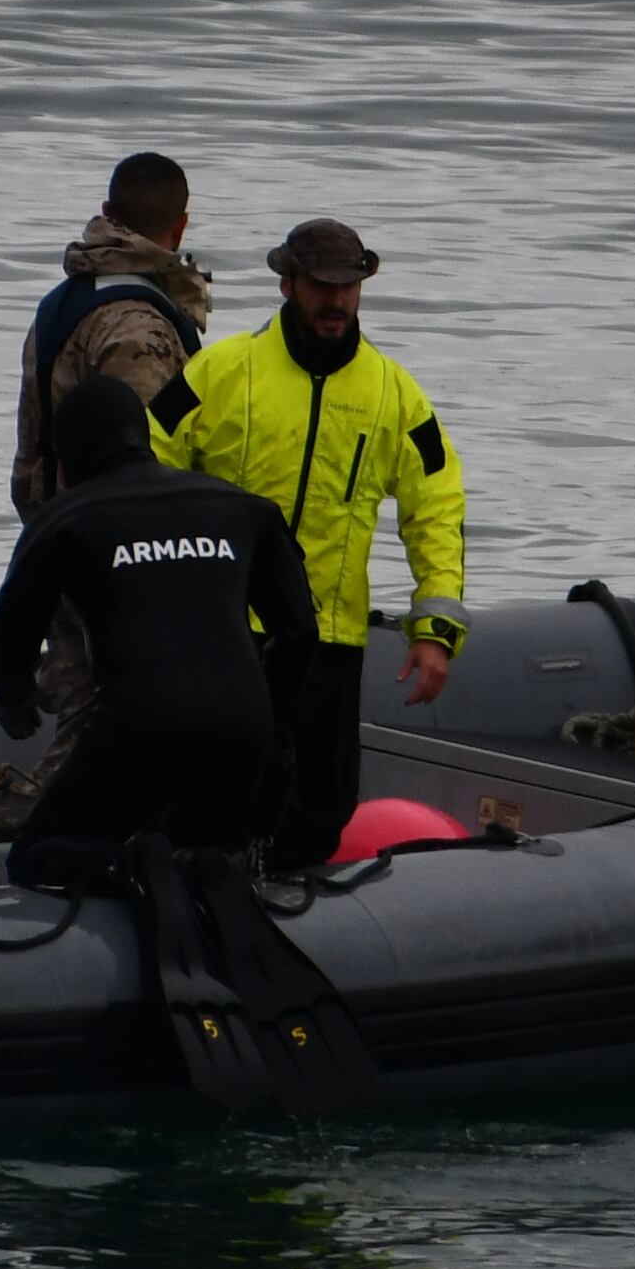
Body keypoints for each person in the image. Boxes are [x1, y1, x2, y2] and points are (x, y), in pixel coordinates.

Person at [154, 218, 468, 870]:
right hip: (224, 631)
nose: (338, 299)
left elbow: (435, 507)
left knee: (321, 808)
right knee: (207, 802)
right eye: (323, 285)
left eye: (350, 285)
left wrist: (435, 627)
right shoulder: (222, 371)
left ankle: (296, 926)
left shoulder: (393, 393)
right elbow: (144, 458)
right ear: (288, 282)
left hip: (328, 638)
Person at [0, 377, 316, 883]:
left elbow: (6, 637)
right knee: (208, 851)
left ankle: (133, 865)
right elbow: (299, 633)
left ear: (66, 462)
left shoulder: (63, 520)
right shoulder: (244, 508)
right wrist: (267, 718)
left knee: (35, 856)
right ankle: (204, 875)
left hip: (139, 726)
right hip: (241, 727)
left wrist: (14, 697)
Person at [13, 152, 217, 518]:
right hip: (117, 543)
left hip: (51, 530)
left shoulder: (62, 302)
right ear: (181, 225)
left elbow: (30, 452)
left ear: (107, 211)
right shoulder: (141, 328)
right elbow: (144, 471)